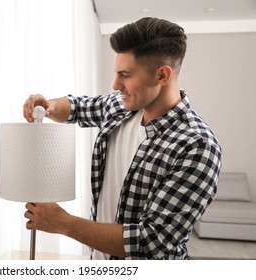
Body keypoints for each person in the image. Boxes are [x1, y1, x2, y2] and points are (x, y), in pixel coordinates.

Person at [22, 17, 222, 260]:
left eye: (125, 75)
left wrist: (64, 223)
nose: (115, 85)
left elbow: (150, 242)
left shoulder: (197, 146)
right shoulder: (121, 106)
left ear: (162, 75)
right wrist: (49, 105)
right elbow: (77, 107)